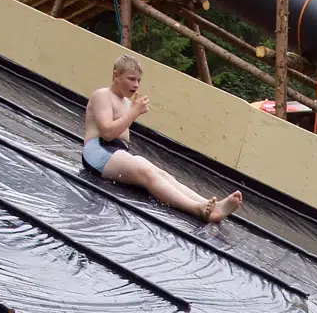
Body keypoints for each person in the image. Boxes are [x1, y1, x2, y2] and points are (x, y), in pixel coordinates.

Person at [83, 55, 243, 222]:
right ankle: (197, 209)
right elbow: (107, 133)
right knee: (145, 169)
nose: (136, 85)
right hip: (98, 150)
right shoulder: (102, 95)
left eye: (138, 80)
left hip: (116, 152)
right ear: (116, 76)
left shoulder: (127, 103)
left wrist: (132, 110)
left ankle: (208, 204)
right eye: (131, 79)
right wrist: (134, 113)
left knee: (163, 174)